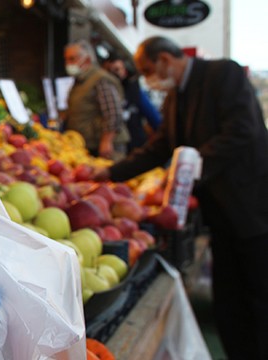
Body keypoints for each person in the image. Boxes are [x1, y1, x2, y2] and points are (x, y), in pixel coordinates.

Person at [94, 36, 268, 359]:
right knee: (228, 295)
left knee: (258, 292)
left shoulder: (222, 74)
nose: (147, 78)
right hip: (218, 215)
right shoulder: (175, 97)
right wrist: (112, 173)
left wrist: (189, 165)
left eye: (148, 70)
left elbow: (242, 131)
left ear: (165, 59)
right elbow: (159, 146)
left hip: (251, 208)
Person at [62, 40, 130, 161]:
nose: (68, 64)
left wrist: (106, 141)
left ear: (87, 60)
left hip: (105, 146)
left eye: (72, 59)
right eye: (66, 59)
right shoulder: (80, 81)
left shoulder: (100, 79)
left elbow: (112, 112)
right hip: (90, 144)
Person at [103, 54, 162, 153]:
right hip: (112, 147)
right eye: (109, 71)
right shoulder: (102, 93)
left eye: (117, 70)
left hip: (134, 144)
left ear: (124, 71)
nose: (112, 75)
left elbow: (154, 119)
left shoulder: (134, 91)